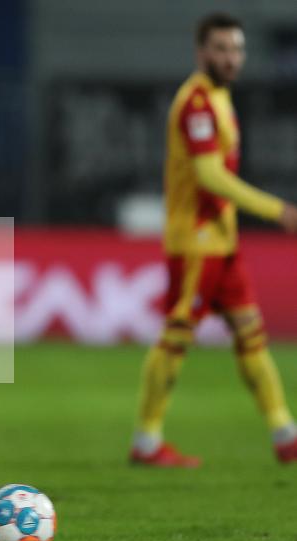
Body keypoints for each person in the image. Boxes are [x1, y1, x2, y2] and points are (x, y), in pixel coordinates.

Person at [130, 13, 297, 467]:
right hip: (195, 241)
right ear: (201, 52)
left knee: (250, 333)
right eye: (221, 49)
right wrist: (275, 209)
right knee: (176, 338)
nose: (230, 58)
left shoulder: (220, 98)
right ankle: (146, 441)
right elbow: (208, 175)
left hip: (222, 242)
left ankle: (285, 433)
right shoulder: (197, 103)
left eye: (237, 49)